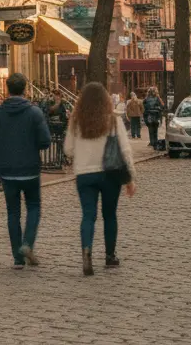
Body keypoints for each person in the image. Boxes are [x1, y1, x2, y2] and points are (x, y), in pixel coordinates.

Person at [63, 81, 136, 275]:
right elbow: (125, 150)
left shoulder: (76, 122)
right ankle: (110, 256)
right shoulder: (113, 120)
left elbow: (68, 149)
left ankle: (87, 251)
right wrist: (130, 178)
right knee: (109, 215)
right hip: (110, 173)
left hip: (84, 174)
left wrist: (82, 154)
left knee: (88, 215)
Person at [0, 73, 52, 269]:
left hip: (7, 169)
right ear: (25, 89)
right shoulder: (34, 112)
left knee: (13, 212)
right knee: (34, 207)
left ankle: (17, 258)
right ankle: (27, 243)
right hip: (30, 168)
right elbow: (45, 141)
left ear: (8, 89)